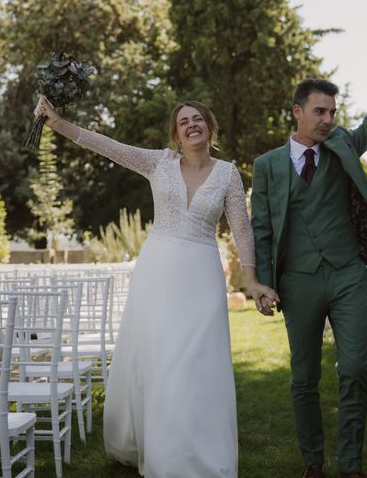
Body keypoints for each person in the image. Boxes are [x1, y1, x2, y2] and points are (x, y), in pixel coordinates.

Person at [34, 97, 278, 477]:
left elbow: (242, 229)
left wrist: (253, 280)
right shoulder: (158, 163)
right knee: (162, 360)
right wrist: (59, 123)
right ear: (175, 133)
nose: (192, 124)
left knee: (197, 362)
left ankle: (200, 452)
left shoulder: (228, 173)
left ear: (210, 129)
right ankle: (163, 451)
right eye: (184, 121)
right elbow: (108, 146)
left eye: (199, 119)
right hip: (158, 273)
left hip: (201, 274)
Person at [250, 5, 367, 478]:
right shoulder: (267, 166)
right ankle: (313, 461)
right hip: (298, 281)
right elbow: (262, 227)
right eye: (319, 111)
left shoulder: (344, 143)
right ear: (297, 112)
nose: (328, 119)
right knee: (304, 379)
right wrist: (263, 283)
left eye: (332, 111)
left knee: (353, 370)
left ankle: (350, 464)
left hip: (348, 275)